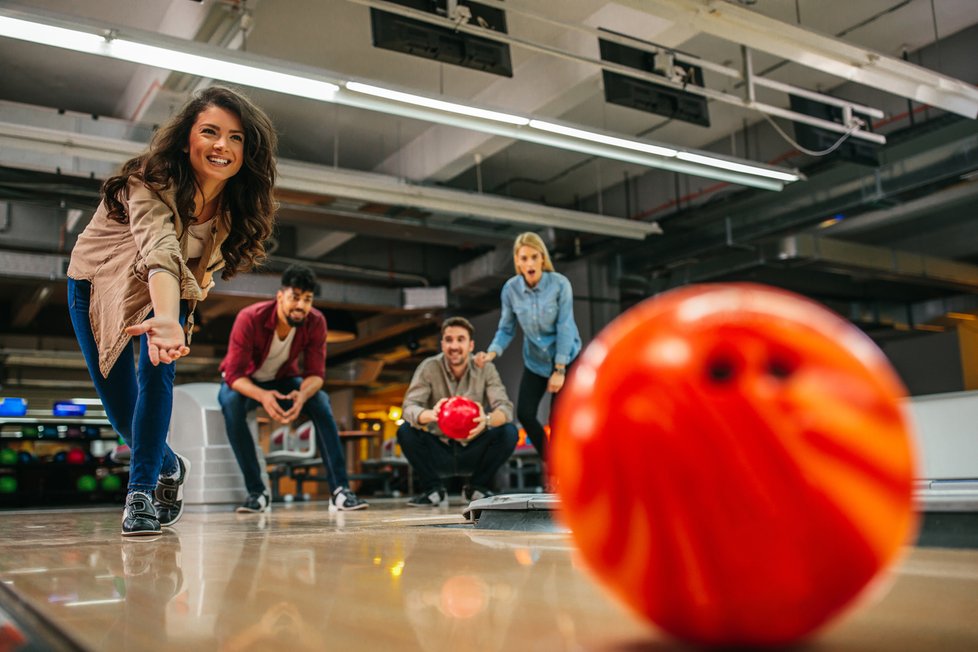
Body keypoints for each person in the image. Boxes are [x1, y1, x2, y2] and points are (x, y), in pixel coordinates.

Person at [67, 85, 278, 536]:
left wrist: (171, 317)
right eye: (211, 132)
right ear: (187, 139)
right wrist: (167, 318)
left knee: (157, 376)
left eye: (236, 137)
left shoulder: (233, 207)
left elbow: (184, 268)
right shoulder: (151, 179)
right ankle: (170, 464)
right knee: (120, 407)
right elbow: (158, 246)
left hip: (171, 289)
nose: (223, 145)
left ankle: (140, 493)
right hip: (97, 284)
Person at [218, 264, 368, 514]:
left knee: (320, 400)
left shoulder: (316, 322)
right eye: (295, 297)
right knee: (231, 405)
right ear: (280, 296)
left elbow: (316, 375)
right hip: (245, 381)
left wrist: (302, 395)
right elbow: (233, 375)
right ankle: (257, 492)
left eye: (307, 299)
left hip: (284, 379)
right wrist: (263, 396)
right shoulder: (250, 318)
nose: (300, 306)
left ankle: (340, 491)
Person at [474, 232, 581, 461]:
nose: (529, 263)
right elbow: (506, 328)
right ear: (517, 261)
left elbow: (565, 327)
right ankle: (553, 462)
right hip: (535, 361)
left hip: (565, 358)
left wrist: (559, 369)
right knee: (525, 413)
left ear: (542, 258)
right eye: (524, 258)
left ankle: (564, 469)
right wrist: (491, 353)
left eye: (534, 257)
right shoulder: (510, 289)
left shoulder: (560, 284)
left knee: (559, 419)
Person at [399, 317, 518, 507]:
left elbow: (505, 408)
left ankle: (476, 488)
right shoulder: (429, 367)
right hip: (440, 449)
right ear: (442, 344)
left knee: (509, 432)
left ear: (471, 345)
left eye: (460, 339)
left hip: (473, 449)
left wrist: (486, 420)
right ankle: (433, 489)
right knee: (405, 431)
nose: (454, 346)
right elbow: (409, 407)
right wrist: (431, 414)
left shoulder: (486, 369)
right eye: (448, 340)